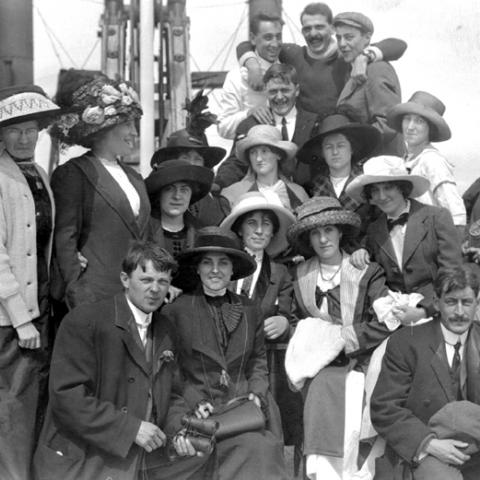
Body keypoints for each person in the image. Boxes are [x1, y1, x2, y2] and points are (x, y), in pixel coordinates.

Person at [33, 241, 202, 480]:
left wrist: (178, 431)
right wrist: (131, 429)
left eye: (162, 282)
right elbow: (67, 398)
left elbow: (171, 394)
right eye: (146, 280)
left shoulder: (165, 329)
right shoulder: (85, 321)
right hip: (84, 459)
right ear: (125, 279)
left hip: (139, 459)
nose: (155, 289)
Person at [159, 226, 288, 480]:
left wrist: (257, 392)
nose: (215, 270)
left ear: (232, 270)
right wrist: (195, 400)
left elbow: (258, 360)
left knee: (261, 450)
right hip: (198, 411)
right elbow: (171, 373)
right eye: (207, 263)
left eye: (223, 263)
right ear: (197, 268)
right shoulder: (176, 312)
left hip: (242, 410)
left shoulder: (250, 310)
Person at [285, 196, 395, 480]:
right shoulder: (300, 274)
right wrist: (315, 340)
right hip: (316, 364)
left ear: (340, 232)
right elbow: (295, 319)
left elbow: (385, 320)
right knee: (318, 391)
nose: (323, 239)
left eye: (329, 230)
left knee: (354, 396)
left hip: (360, 359)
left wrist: (345, 339)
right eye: (315, 233)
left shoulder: (366, 271)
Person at [49, 75, 151, 309]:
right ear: (104, 129)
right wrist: (77, 288)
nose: (134, 132)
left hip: (136, 298)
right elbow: (65, 239)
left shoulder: (135, 178)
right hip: (94, 298)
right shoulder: (74, 174)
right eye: (127, 124)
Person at [0, 84, 59, 480]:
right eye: (15, 130)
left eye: (31, 129)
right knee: (11, 408)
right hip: (10, 319)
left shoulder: (38, 174)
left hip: (40, 309)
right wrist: (20, 319)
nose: (24, 138)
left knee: (31, 404)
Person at [371, 265, 480, 480]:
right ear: (437, 303)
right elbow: (385, 409)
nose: (460, 312)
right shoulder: (405, 343)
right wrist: (429, 444)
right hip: (425, 451)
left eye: (467, 302)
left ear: (477, 303)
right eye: (451, 302)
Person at [220, 191, 302, 451]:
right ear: (240, 229)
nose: (259, 231)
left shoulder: (280, 273)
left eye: (266, 224)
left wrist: (284, 324)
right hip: (222, 364)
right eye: (252, 223)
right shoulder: (222, 265)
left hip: (262, 366)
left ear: (273, 232)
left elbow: (289, 316)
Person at [235, 3, 407, 119]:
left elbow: (397, 45)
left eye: (319, 27)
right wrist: (252, 65)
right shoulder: (293, 54)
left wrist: (365, 56)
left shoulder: (347, 54)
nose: (313, 33)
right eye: (307, 28)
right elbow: (248, 44)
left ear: (332, 28)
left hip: (341, 138)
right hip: (308, 141)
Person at [346, 155, 463, 322]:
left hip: (438, 312)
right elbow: (373, 271)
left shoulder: (437, 217)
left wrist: (424, 311)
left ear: (402, 188)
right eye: (375, 190)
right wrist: (362, 251)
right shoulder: (374, 230)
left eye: (388, 188)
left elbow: (452, 273)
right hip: (395, 316)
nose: (382, 196)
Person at [214, 63, 320, 190]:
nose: (279, 97)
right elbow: (236, 163)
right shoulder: (251, 124)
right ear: (265, 91)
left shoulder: (314, 123)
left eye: (285, 90)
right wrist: (218, 184)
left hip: (308, 197)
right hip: (265, 199)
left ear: (297, 90)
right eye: (273, 91)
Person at [387, 91, 466, 237]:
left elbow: (456, 216)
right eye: (407, 119)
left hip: (430, 243)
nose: (410, 127)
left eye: (419, 121)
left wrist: (448, 253)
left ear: (430, 128)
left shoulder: (432, 161)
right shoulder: (403, 162)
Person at [333, 12, 404, 155]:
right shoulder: (353, 69)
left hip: (381, 164)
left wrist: (350, 146)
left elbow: (388, 124)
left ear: (367, 38)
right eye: (338, 38)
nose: (342, 44)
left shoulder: (376, 69)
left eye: (349, 37)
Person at [297, 111, 381, 231]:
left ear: (352, 149)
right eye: (329, 147)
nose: (335, 152)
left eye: (341, 145)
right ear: (322, 153)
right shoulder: (312, 189)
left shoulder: (368, 184)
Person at [217, 13, 283, 139]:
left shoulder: (289, 70)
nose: (275, 44)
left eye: (278, 37)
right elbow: (223, 127)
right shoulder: (236, 77)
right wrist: (248, 114)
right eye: (268, 37)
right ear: (253, 38)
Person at [221, 124, 308, 212]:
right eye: (253, 152)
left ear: (278, 154)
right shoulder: (233, 193)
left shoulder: (298, 193)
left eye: (264, 151)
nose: (258, 158)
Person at [146, 158, 214, 257]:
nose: (177, 196)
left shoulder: (202, 235)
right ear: (159, 194)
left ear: (191, 195)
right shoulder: (142, 232)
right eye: (169, 189)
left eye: (184, 190)